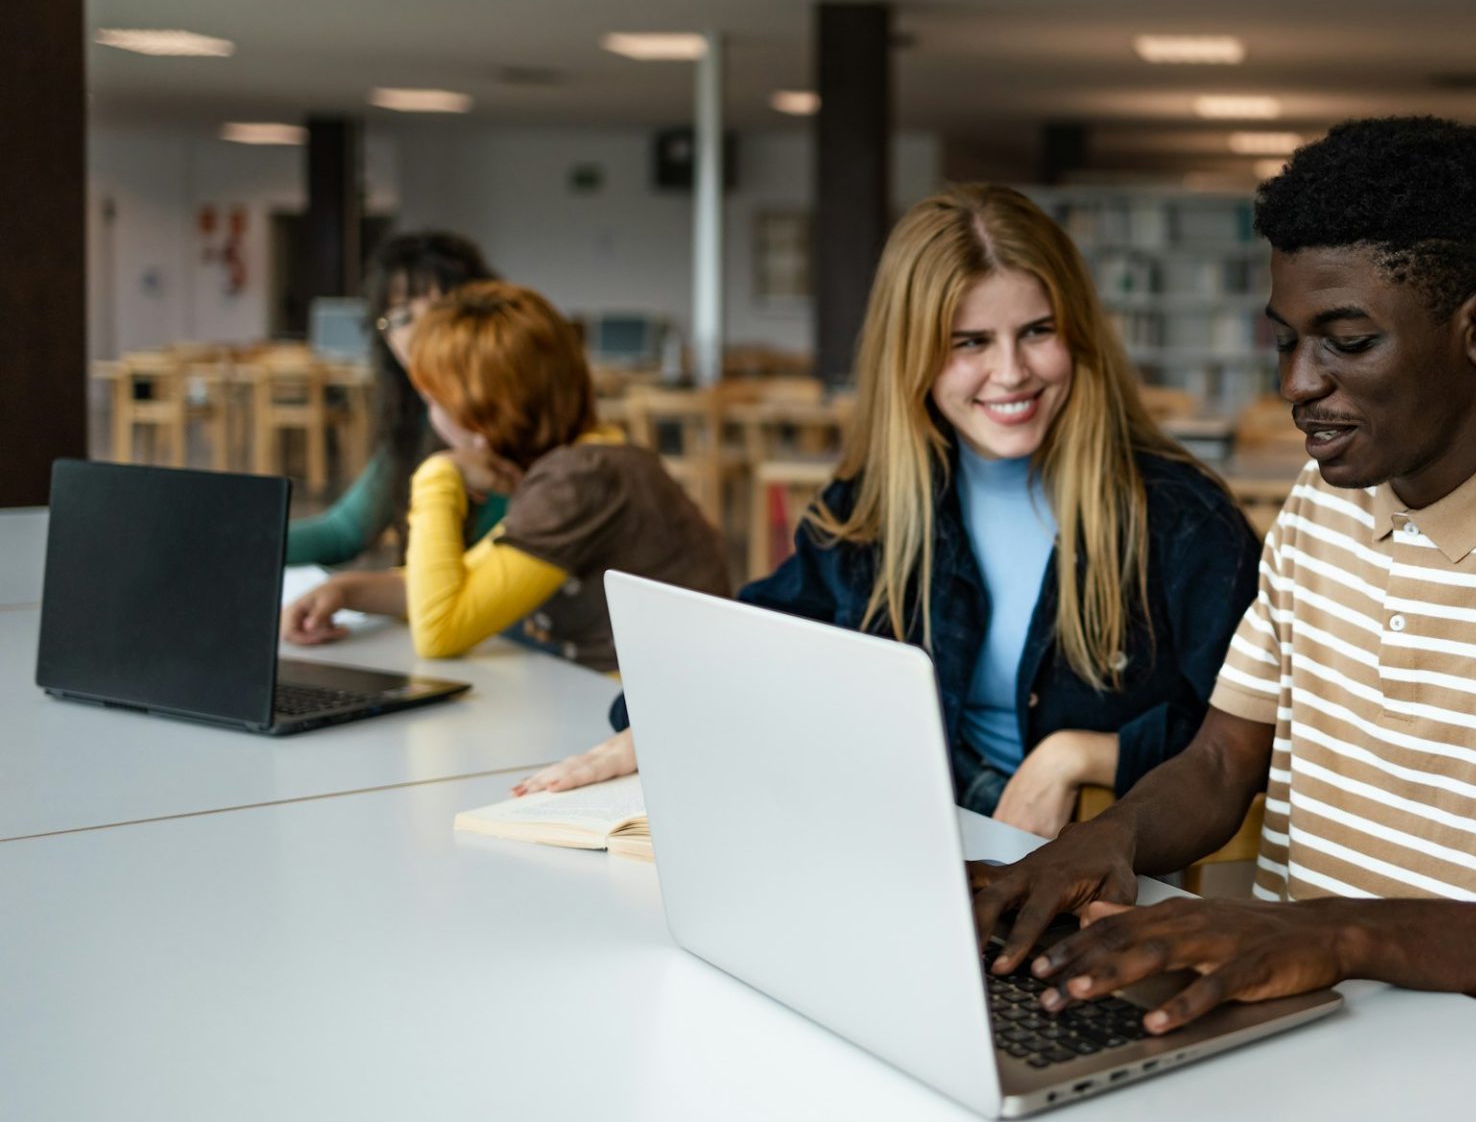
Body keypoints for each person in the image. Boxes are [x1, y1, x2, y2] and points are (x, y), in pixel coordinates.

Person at [971, 117, 1476, 1072]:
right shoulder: (1322, 505)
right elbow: (1226, 762)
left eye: (1348, 341)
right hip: (1301, 1036)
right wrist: (1107, 837)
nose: (1299, 383)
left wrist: (1341, 937)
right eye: (1286, 341)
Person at [515, 184, 1263, 838]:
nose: (1012, 372)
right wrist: (665, 719)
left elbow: (1256, 732)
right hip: (903, 836)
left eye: (1037, 332)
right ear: (912, 355)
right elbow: (767, 633)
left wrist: (1079, 753)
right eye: (970, 343)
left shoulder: (1179, 517)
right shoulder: (873, 506)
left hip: (1086, 869)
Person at [280, 282, 729, 670]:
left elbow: (440, 630)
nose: (431, 416)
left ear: (480, 408)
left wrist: (439, 474)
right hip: (605, 701)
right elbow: (467, 583)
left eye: (434, 401)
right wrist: (345, 590)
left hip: (631, 718)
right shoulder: (584, 459)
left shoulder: (578, 480)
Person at [285, 231, 505, 567]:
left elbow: (484, 583)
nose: (420, 330)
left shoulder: (524, 425)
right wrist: (242, 538)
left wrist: (354, 592)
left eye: (439, 308)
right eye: (401, 316)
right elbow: (344, 531)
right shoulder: (415, 425)